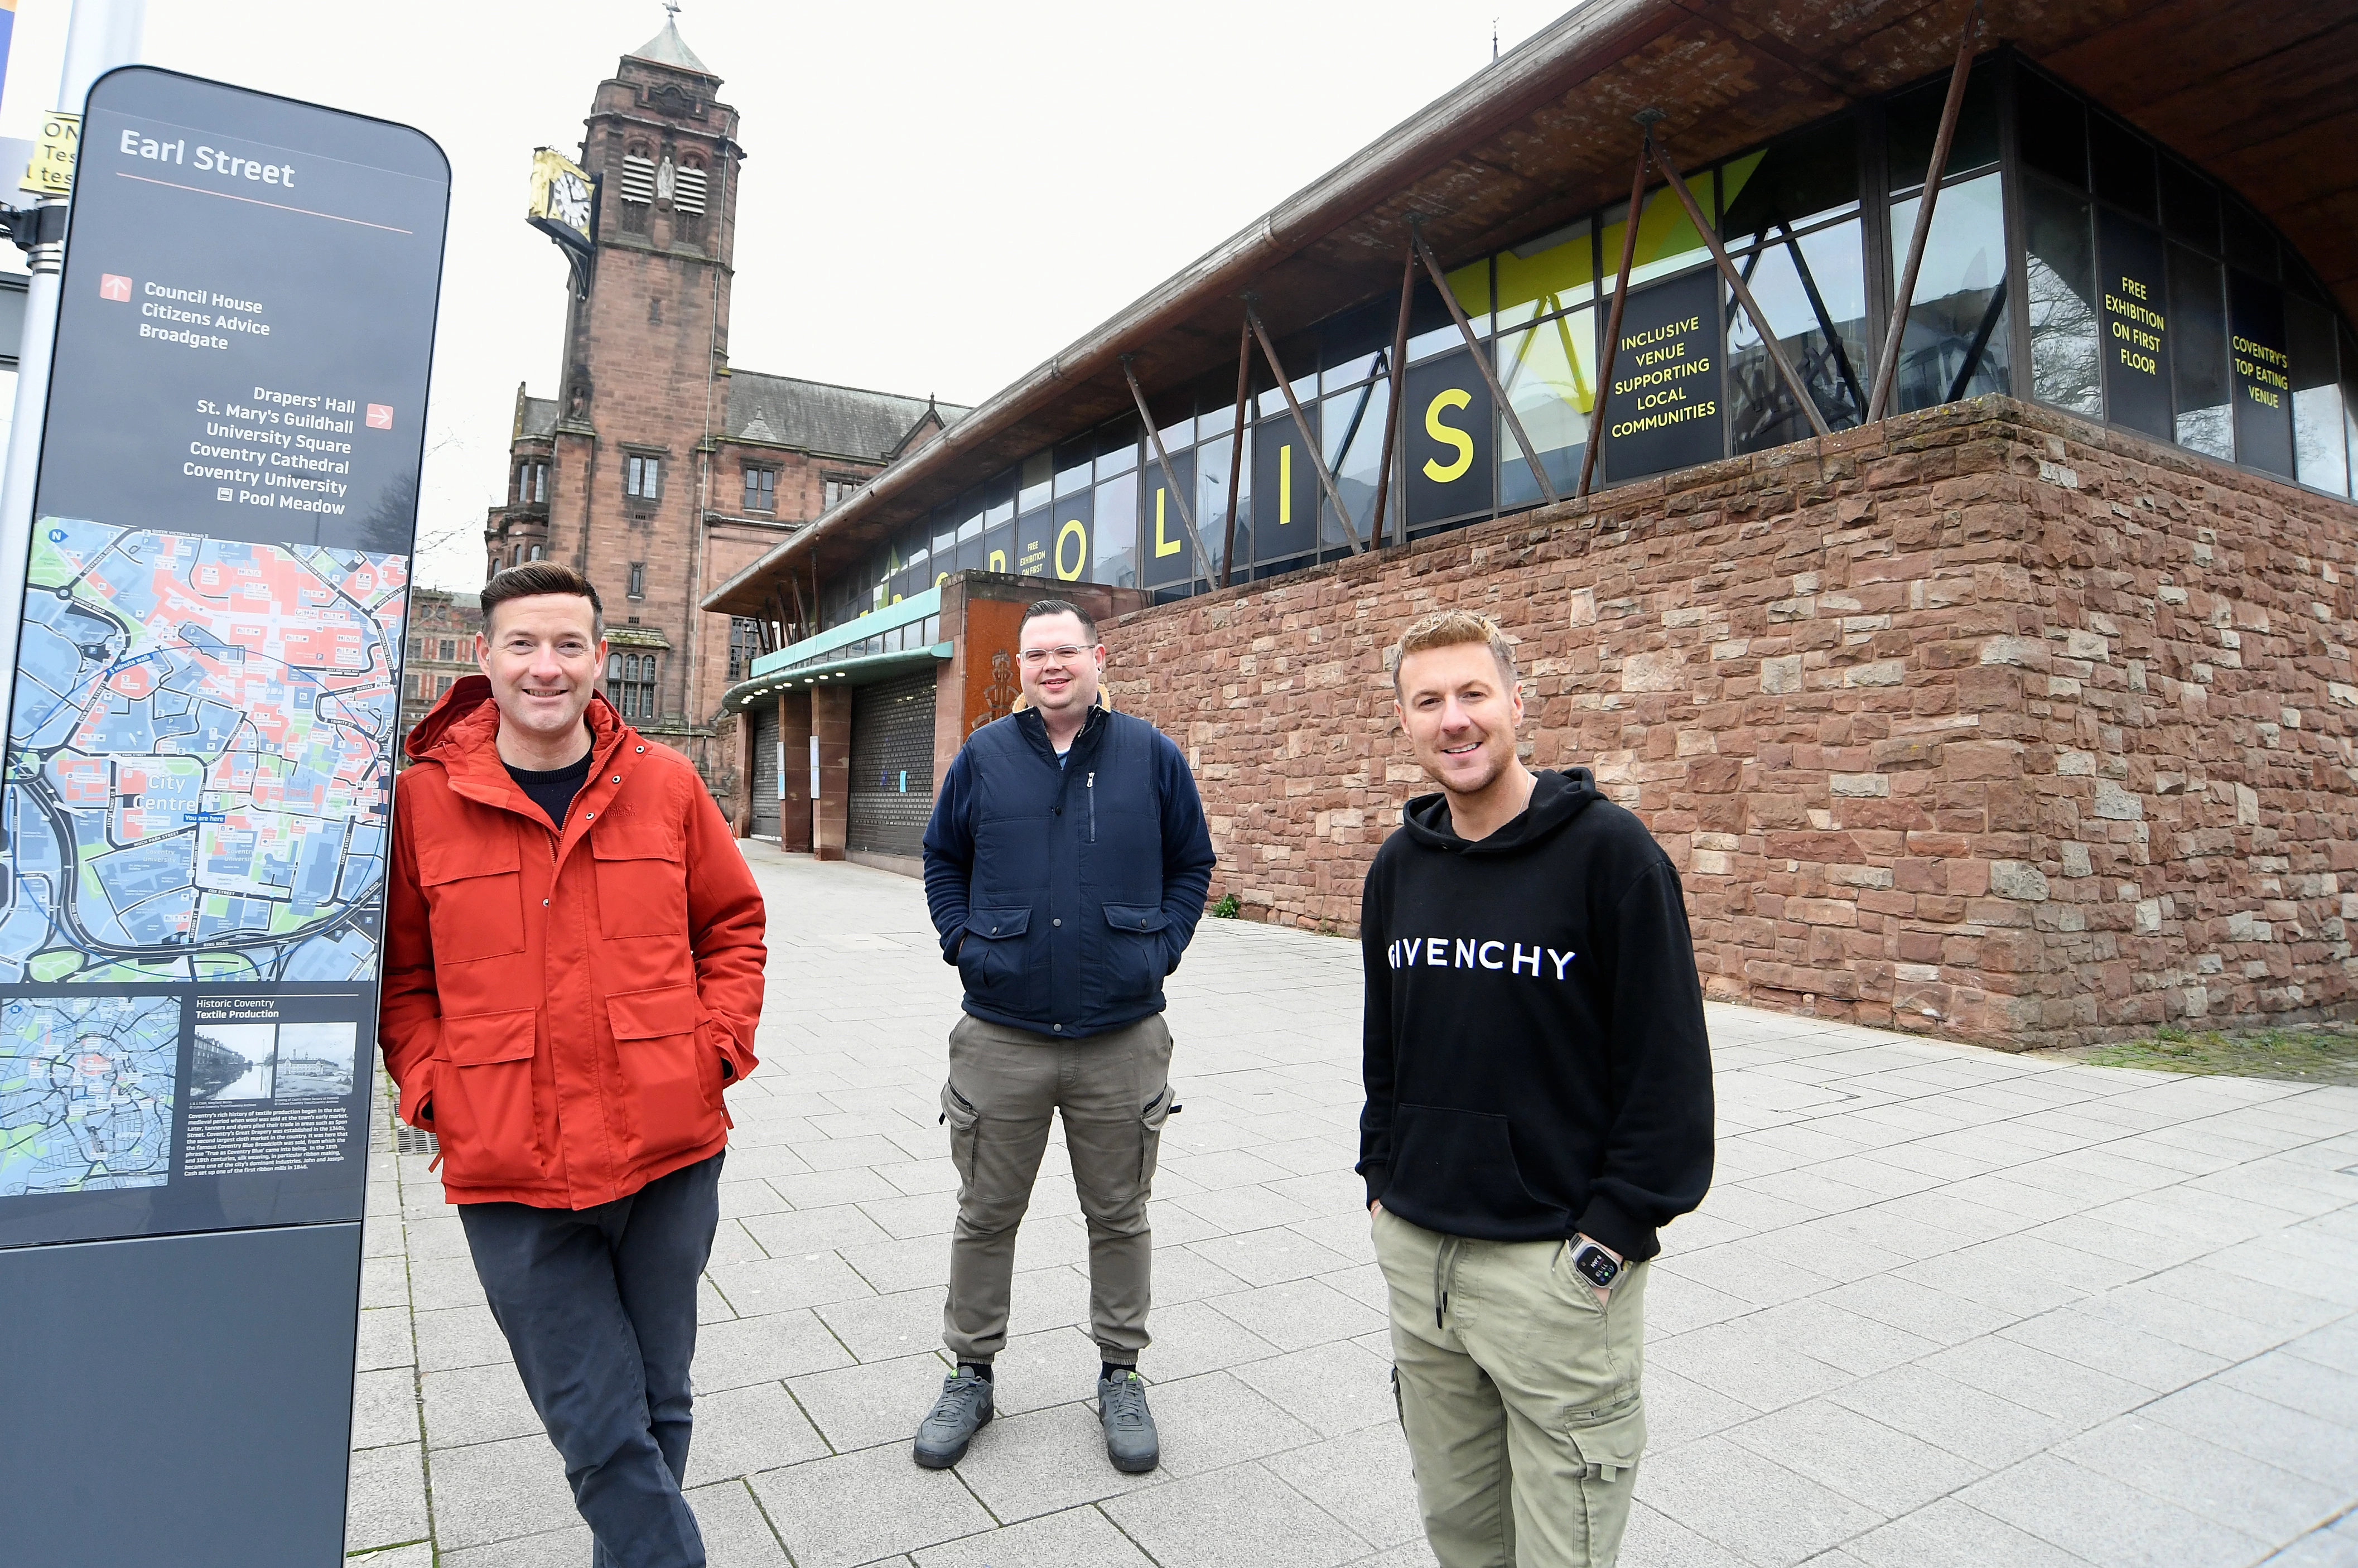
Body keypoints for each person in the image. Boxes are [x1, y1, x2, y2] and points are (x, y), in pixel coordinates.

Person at [380, 562, 766, 1568]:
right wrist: (434, 1087)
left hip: (670, 1151)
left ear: (600, 658)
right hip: (509, 1162)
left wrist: (712, 1050)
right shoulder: (423, 803)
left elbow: (732, 926)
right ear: (485, 658)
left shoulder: (667, 783)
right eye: (523, 644)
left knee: (657, 1395)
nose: (545, 667)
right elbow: (401, 979)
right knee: (597, 1419)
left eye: (567, 645)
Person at [1359, 609, 1713, 1568]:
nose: (1454, 720)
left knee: (1565, 1551)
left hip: (1554, 1275)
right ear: (1403, 721)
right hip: (1423, 1263)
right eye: (1427, 701)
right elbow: (1383, 1054)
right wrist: (1383, 1183)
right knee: (1462, 1536)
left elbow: (1670, 1076)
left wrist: (1609, 1237)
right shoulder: (1397, 867)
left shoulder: (1612, 856)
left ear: (1516, 701)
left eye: (1473, 693)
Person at [912, 597, 1216, 1474]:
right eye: (1036, 653)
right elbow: (944, 857)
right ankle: (971, 1371)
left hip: (1120, 1034)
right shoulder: (985, 756)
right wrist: (961, 942)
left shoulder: (1149, 755)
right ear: (1021, 666)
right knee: (984, 1213)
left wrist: (1160, 947)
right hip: (1000, 1032)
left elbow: (1193, 861)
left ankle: (1120, 1371)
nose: (1052, 666)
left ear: (1096, 655)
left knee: (1119, 1213)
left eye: (1066, 651)